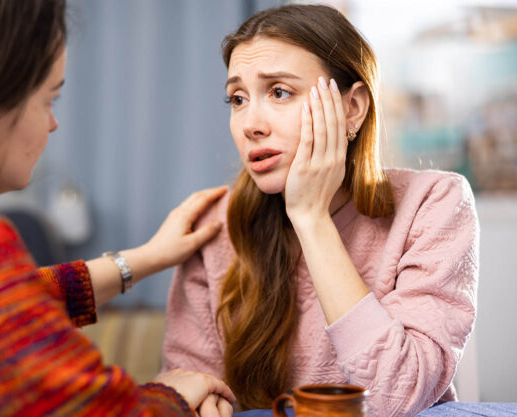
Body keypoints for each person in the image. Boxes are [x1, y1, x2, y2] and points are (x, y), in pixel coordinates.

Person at [0, 1, 235, 416]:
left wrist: (146, 258)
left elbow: (0, 298)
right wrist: (170, 395)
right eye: (49, 100)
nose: (54, 124)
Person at [163, 4, 479, 416]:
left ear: (353, 108)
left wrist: (310, 218)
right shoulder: (213, 226)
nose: (249, 124)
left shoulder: (433, 203)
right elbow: (189, 391)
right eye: (237, 98)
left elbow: (395, 397)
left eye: (279, 92)